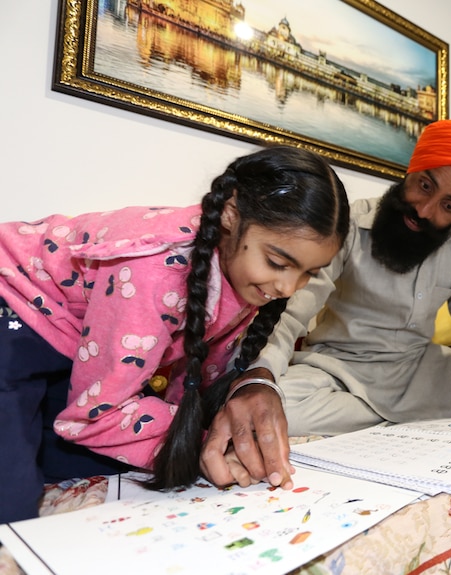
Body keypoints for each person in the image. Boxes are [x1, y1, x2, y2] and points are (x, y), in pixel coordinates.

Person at [202, 119, 451, 487]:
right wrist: (260, 376)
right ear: (410, 171)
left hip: (421, 372)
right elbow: (291, 316)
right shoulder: (347, 225)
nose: (426, 210)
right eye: (425, 185)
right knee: (277, 406)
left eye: (448, 205)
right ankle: (412, 415)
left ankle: (386, 415)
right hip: (338, 372)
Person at [0, 146, 350, 523]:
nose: (287, 287)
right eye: (278, 263)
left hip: (69, 342)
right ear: (231, 215)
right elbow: (92, 418)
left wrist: (219, 436)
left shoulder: (244, 273)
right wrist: (202, 446)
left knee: (95, 468)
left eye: (309, 274)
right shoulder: (154, 269)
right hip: (12, 315)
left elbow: (191, 381)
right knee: (12, 509)